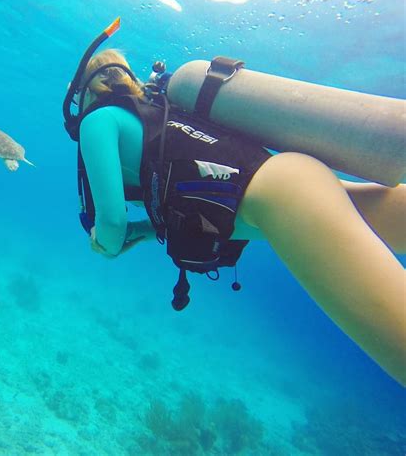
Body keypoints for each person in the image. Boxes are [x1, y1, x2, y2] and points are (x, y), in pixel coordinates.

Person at [66, 47, 406, 386]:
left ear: (85, 90)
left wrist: (104, 245)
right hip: (292, 179)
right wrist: (144, 229)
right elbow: (184, 184)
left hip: (285, 204)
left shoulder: (97, 121)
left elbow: (111, 224)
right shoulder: (155, 111)